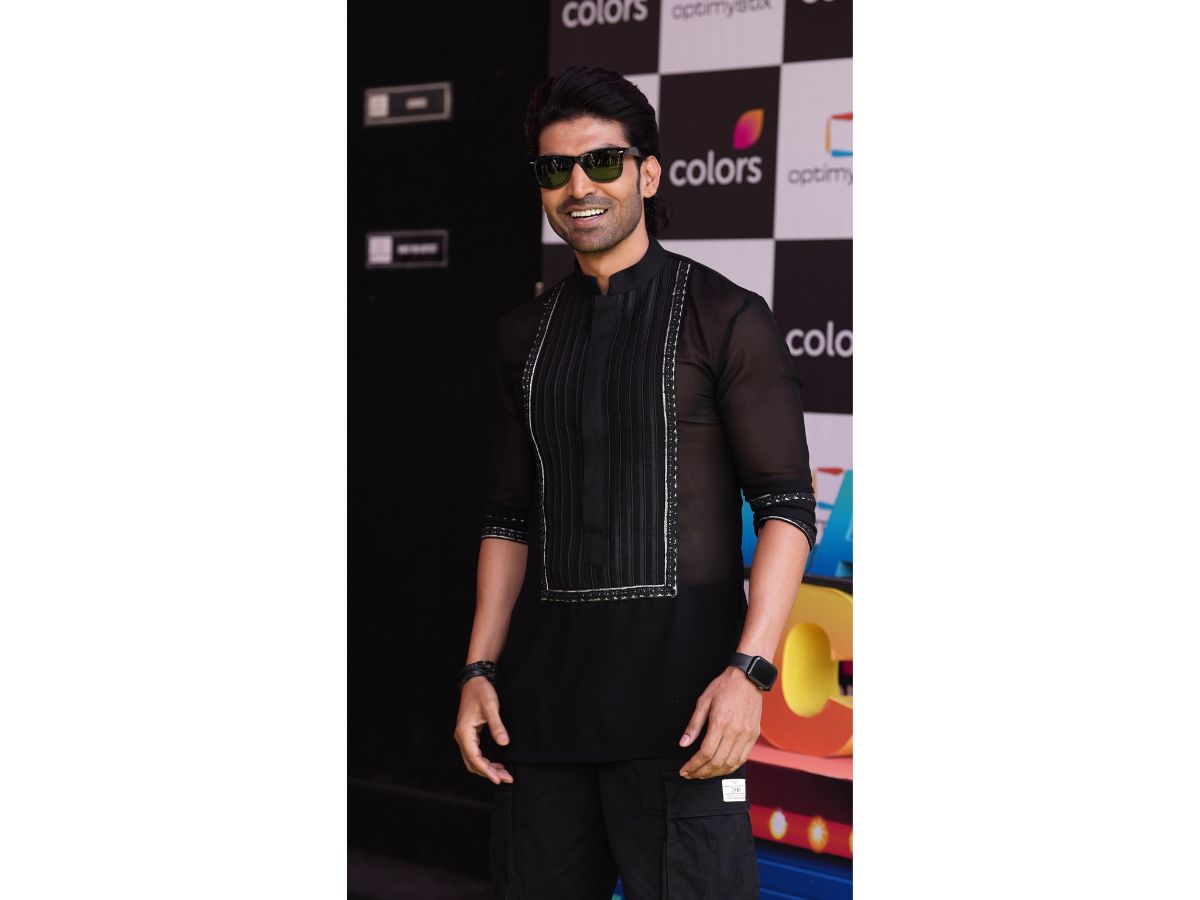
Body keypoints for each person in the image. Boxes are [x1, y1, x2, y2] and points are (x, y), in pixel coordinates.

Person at [453, 64, 817, 900]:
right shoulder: (521, 335)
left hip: (686, 720)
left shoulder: (726, 317)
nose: (579, 186)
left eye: (603, 162)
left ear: (648, 174)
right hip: (540, 717)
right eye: (556, 169)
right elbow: (508, 518)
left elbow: (788, 510)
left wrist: (750, 674)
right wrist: (478, 669)